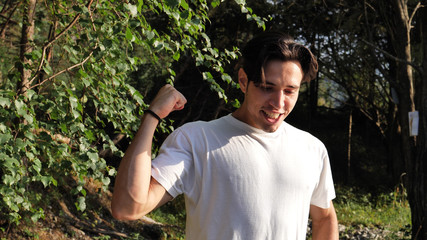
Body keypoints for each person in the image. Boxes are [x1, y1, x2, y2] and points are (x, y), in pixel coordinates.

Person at [111, 31, 339, 240]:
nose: (279, 103)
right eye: (267, 87)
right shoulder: (196, 140)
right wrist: (152, 116)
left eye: (290, 91)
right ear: (243, 80)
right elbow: (127, 207)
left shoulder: (311, 149)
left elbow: (325, 217)